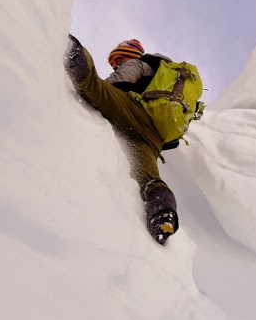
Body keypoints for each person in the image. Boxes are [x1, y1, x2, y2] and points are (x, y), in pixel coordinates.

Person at [64, 35, 180, 244]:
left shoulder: (141, 63)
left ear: (132, 54)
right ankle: (163, 216)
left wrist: (109, 88)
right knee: (148, 178)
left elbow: (119, 83)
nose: (116, 65)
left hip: (134, 114)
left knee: (93, 85)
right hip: (152, 139)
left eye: (119, 59)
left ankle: (69, 48)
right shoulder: (168, 79)